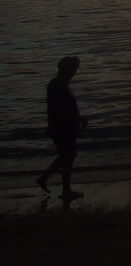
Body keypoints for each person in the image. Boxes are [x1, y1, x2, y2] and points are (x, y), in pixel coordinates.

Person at [36, 56, 88, 201]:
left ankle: (44, 178)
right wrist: (79, 118)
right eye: (74, 69)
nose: (75, 72)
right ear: (67, 69)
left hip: (64, 127)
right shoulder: (57, 85)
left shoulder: (60, 84)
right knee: (68, 157)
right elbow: (57, 111)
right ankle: (65, 190)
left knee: (66, 156)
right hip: (62, 127)